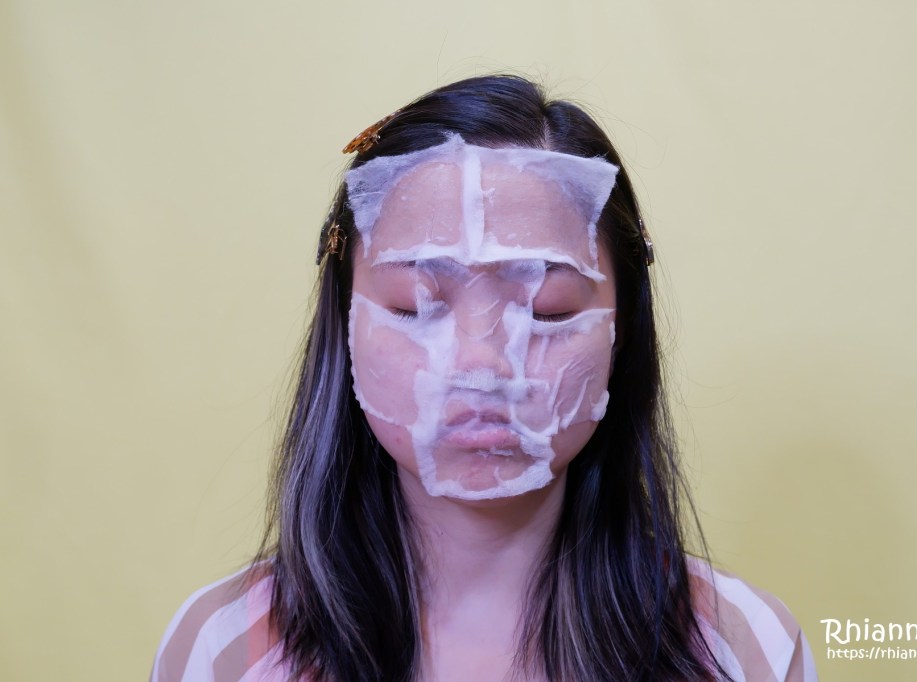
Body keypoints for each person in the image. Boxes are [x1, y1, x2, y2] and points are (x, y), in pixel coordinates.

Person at [150, 75, 818, 682]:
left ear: (623, 332)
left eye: (547, 311)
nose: (480, 364)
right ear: (344, 323)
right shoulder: (224, 653)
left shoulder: (743, 650)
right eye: (415, 306)